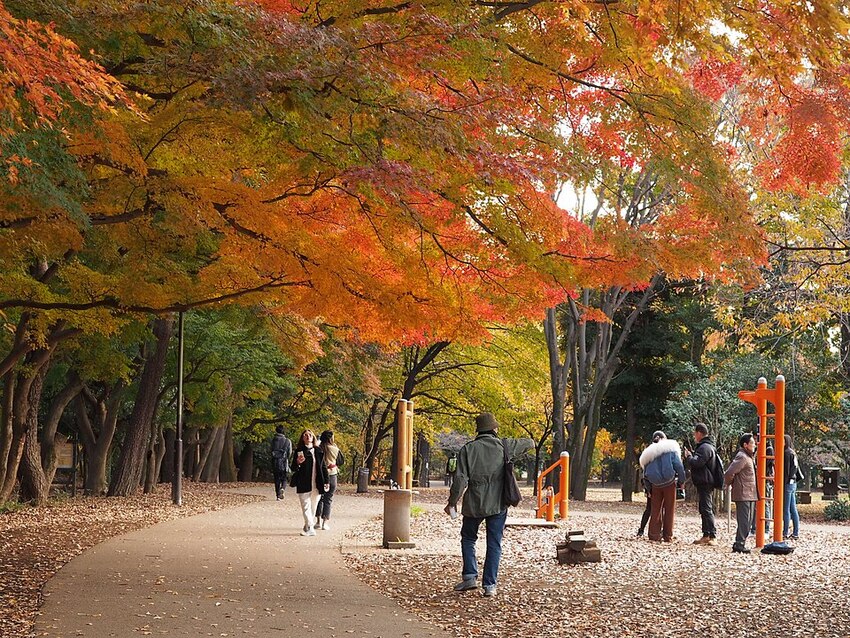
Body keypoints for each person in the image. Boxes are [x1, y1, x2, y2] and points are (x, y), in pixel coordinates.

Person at [444, 413, 533, 598]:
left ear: (479, 430)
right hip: (498, 502)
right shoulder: (504, 446)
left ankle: (470, 576)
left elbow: (460, 480)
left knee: (468, 538)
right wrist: (511, 448)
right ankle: (490, 585)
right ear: (494, 428)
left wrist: (452, 502)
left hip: (474, 503)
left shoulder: (468, 449)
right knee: (494, 543)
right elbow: (530, 443)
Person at [638, 430, 686, 543]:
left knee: (655, 510)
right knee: (669, 509)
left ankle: (654, 535)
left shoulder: (648, 454)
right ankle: (667, 535)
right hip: (669, 483)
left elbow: (645, 475)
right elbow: (679, 466)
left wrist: (649, 489)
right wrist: (681, 481)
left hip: (655, 485)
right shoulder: (670, 450)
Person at [683, 423, 718, 546]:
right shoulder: (707, 446)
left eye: (695, 433)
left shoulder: (705, 447)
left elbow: (697, 463)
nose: (694, 436)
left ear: (699, 433)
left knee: (706, 508)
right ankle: (706, 534)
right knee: (703, 508)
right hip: (704, 481)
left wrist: (689, 456)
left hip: (705, 481)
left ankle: (712, 535)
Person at [290, 429, 329, 537]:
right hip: (303, 482)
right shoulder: (299, 451)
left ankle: (308, 526)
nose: (308, 437)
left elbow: (323, 467)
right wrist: (298, 462)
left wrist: (326, 481)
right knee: (305, 506)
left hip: (317, 483)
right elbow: (293, 467)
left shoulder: (318, 451)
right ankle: (310, 528)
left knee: (313, 506)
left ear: (313, 437)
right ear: (302, 438)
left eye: (310, 435)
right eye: (305, 435)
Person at [724, 433, 758, 554]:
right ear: (745, 445)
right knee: (744, 520)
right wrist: (731, 483)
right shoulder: (742, 457)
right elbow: (729, 472)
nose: (754, 445)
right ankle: (739, 543)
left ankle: (740, 542)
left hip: (750, 492)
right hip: (743, 493)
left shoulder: (749, 457)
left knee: (748, 520)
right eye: (752, 443)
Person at [315, 430, 344, 531]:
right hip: (332, 474)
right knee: (328, 499)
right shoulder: (335, 449)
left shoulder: (318, 448)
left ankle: (318, 521)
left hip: (320, 475)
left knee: (319, 498)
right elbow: (341, 461)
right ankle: (325, 523)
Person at [783, 434, 802, 540]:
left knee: (786, 509)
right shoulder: (792, 452)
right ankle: (795, 532)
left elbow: (787, 470)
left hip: (787, 483)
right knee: (792, 508)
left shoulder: (786, 453)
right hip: (793, 482)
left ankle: (785, 532)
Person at [270, 425, 292, 500]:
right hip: (283, 462)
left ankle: (278, 495)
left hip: (275, 462)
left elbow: (270, 450)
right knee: (284, 478)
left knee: (277, 479)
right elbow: (289, 453)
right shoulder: (287, 441)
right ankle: (282, 488)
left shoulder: (273, 440)